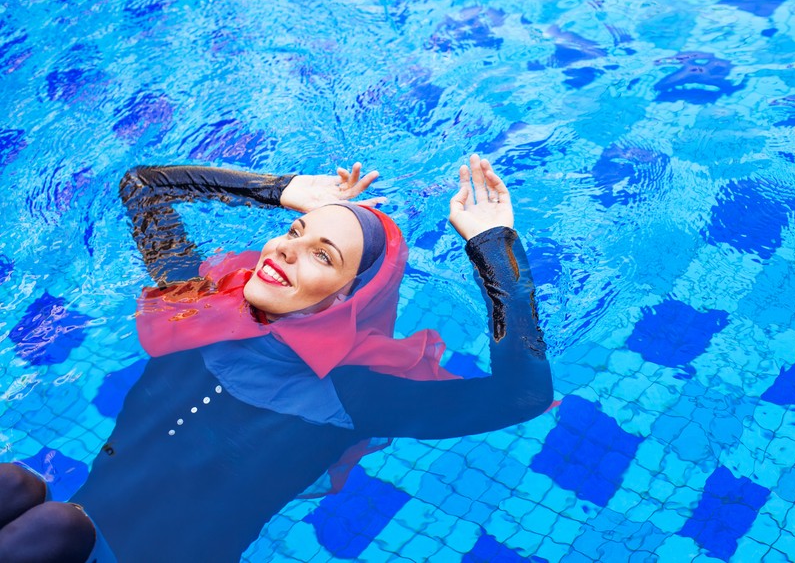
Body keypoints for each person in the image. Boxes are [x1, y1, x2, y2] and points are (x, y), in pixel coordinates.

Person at [0, 154, 553, 562]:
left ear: (349, 298)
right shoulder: (199, 305)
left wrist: (493, 246)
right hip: (70, 528)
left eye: (322, 255)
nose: (285, 248)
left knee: (54, 523)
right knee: (18, 487)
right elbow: (144, 186)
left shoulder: (354, 395)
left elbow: (521, 395)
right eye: (294, 232)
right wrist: (284, 190)